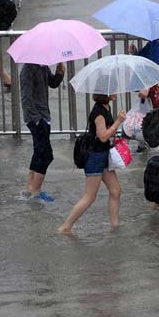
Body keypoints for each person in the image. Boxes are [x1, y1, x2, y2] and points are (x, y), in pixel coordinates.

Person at [58, 94, 125, 234]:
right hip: (95, 156)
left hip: (104, 155)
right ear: (105, 93)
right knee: (90, 196)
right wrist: (118, 121)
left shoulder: (106, 108)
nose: (116, 92)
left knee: (115, 190)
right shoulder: (99, 112)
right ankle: (66, 226)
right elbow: (103, 137)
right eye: (113, 89)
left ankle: (115, 226)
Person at [20, 62, 65, 202]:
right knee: (46, 155)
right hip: (37, 118)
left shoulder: (42, 66)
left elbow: (52, 83)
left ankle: (29, 189)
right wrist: (37, 120)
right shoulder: (28, 69)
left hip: (43, 116)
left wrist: (59, 72)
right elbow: (26, 97)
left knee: (39, 152)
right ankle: (36, 192)